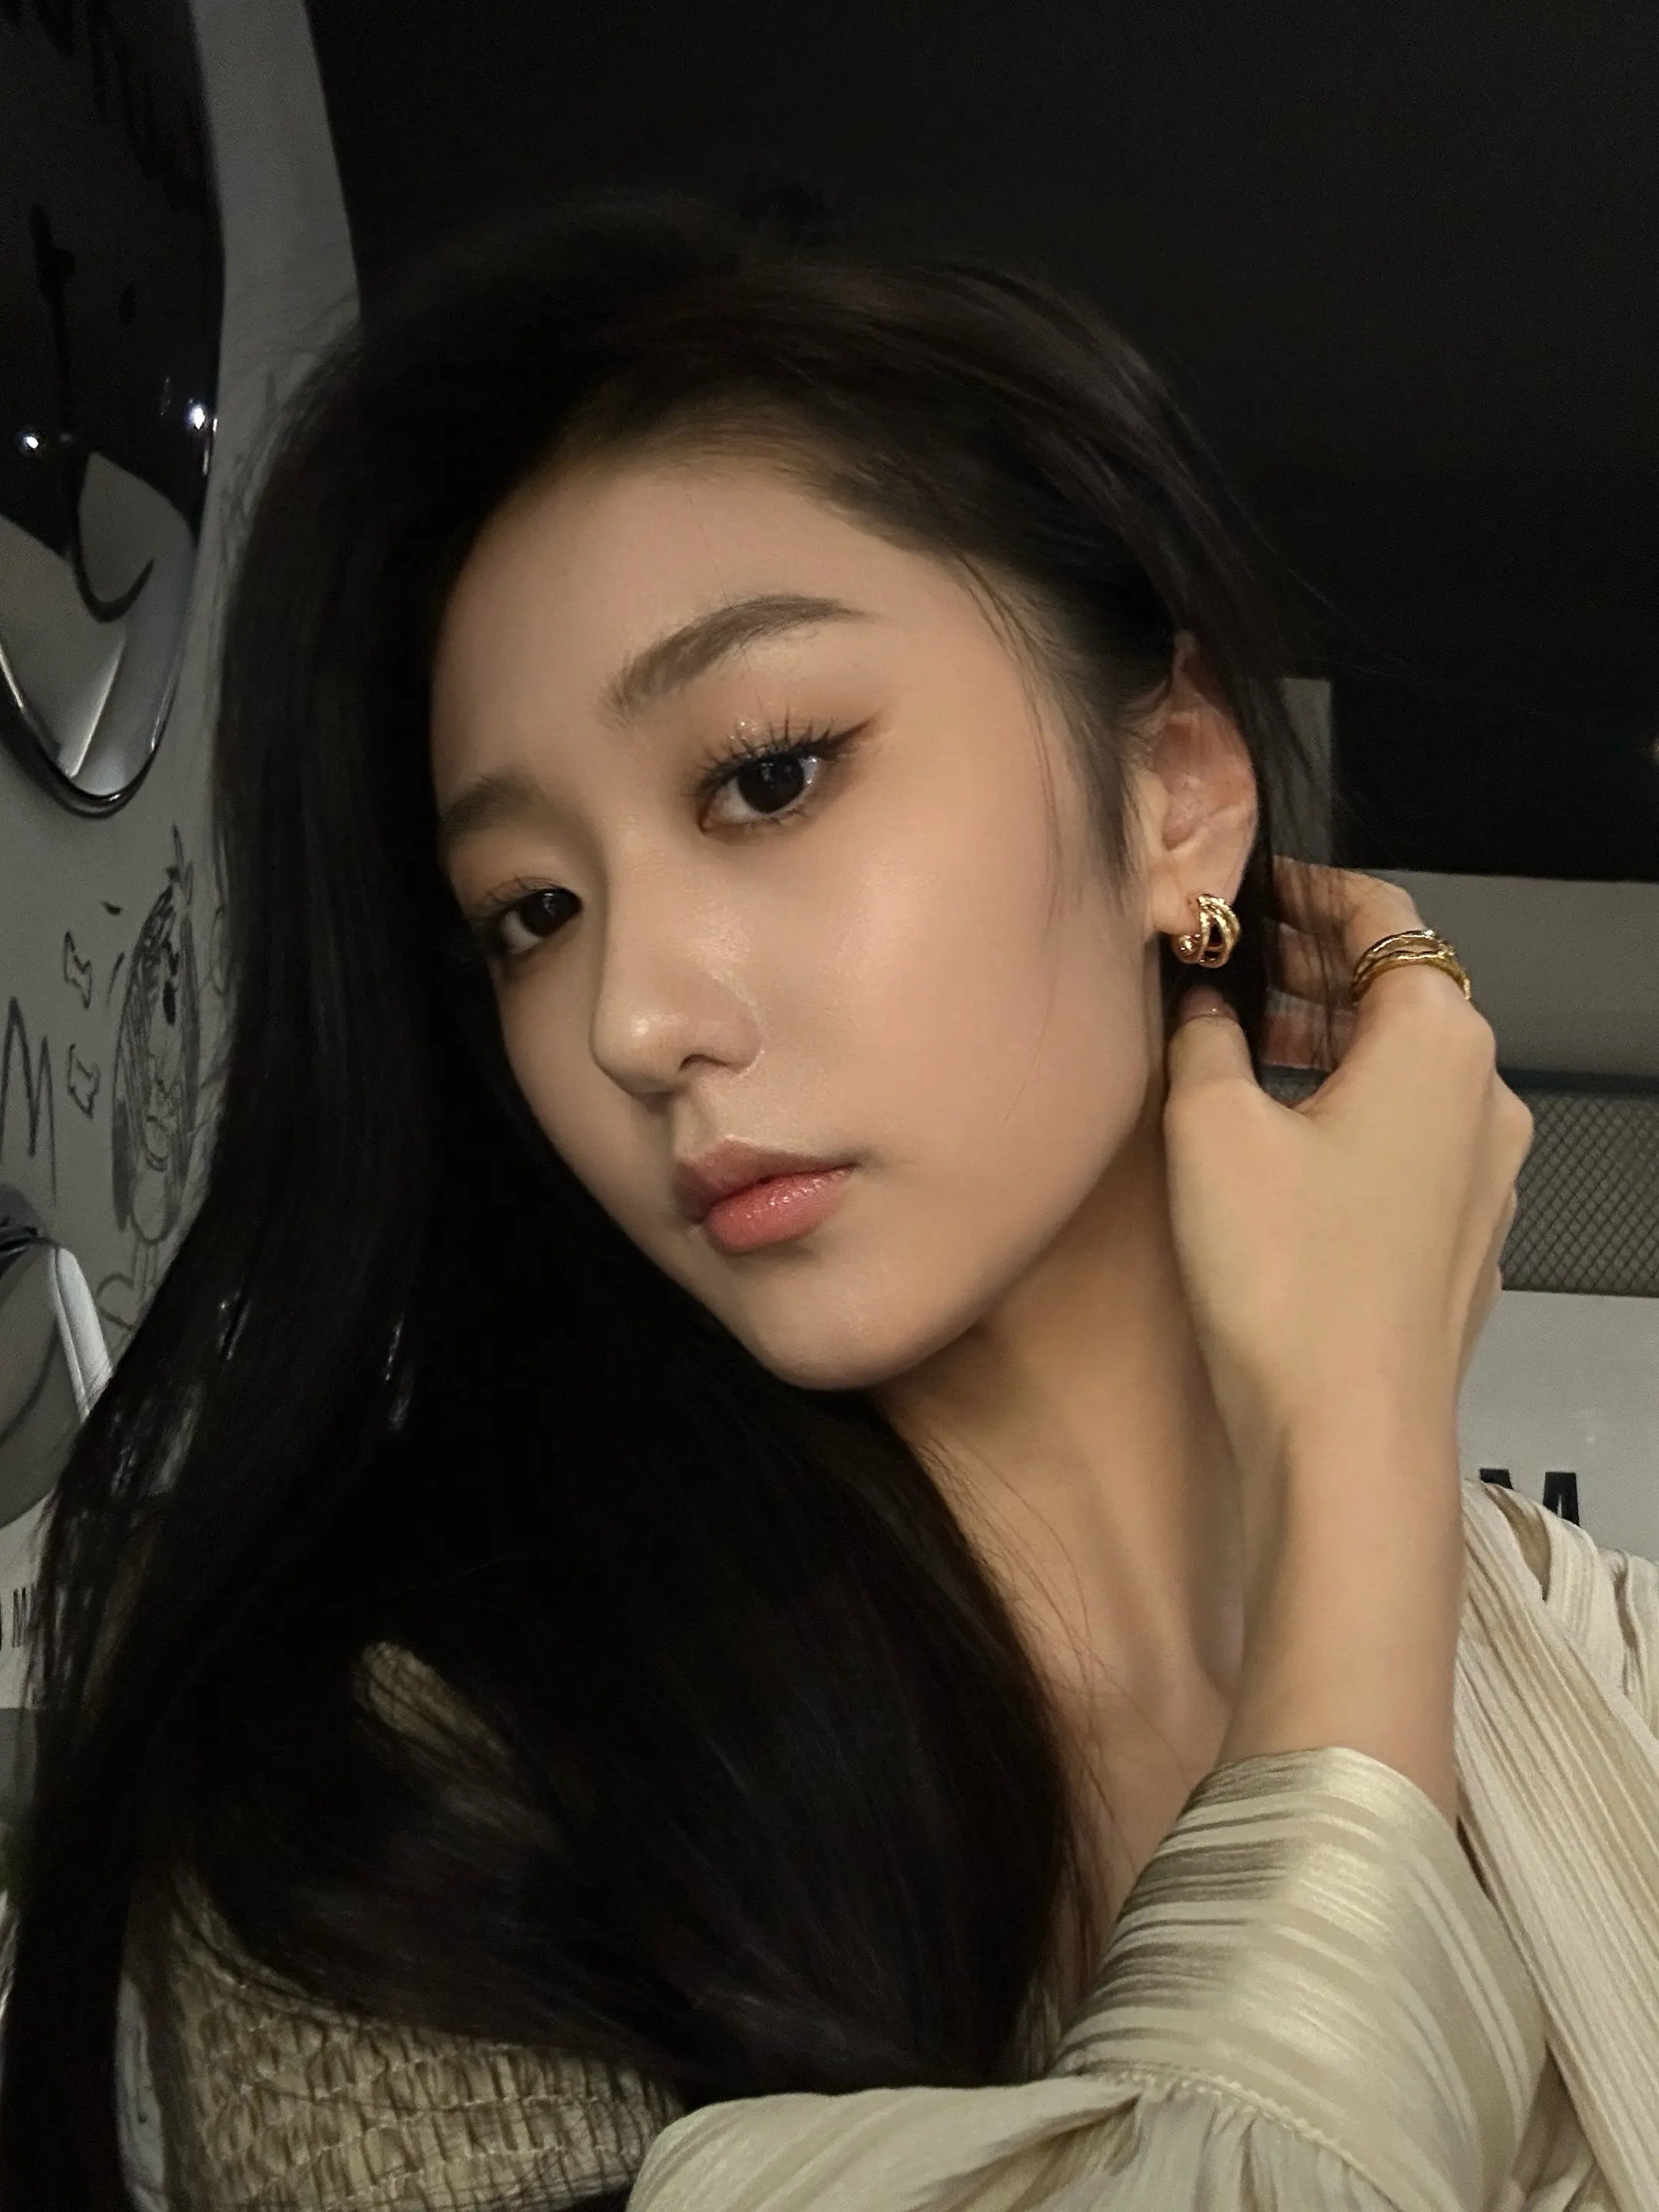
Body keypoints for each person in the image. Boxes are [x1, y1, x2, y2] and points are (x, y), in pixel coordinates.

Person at [1, 191, 1654, 2212]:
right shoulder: (401, 1809)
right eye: (531, 911)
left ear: (1176, 790)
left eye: (769, 775)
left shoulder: (1615, 1680)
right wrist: (1357, 1447)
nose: (630, 1019)